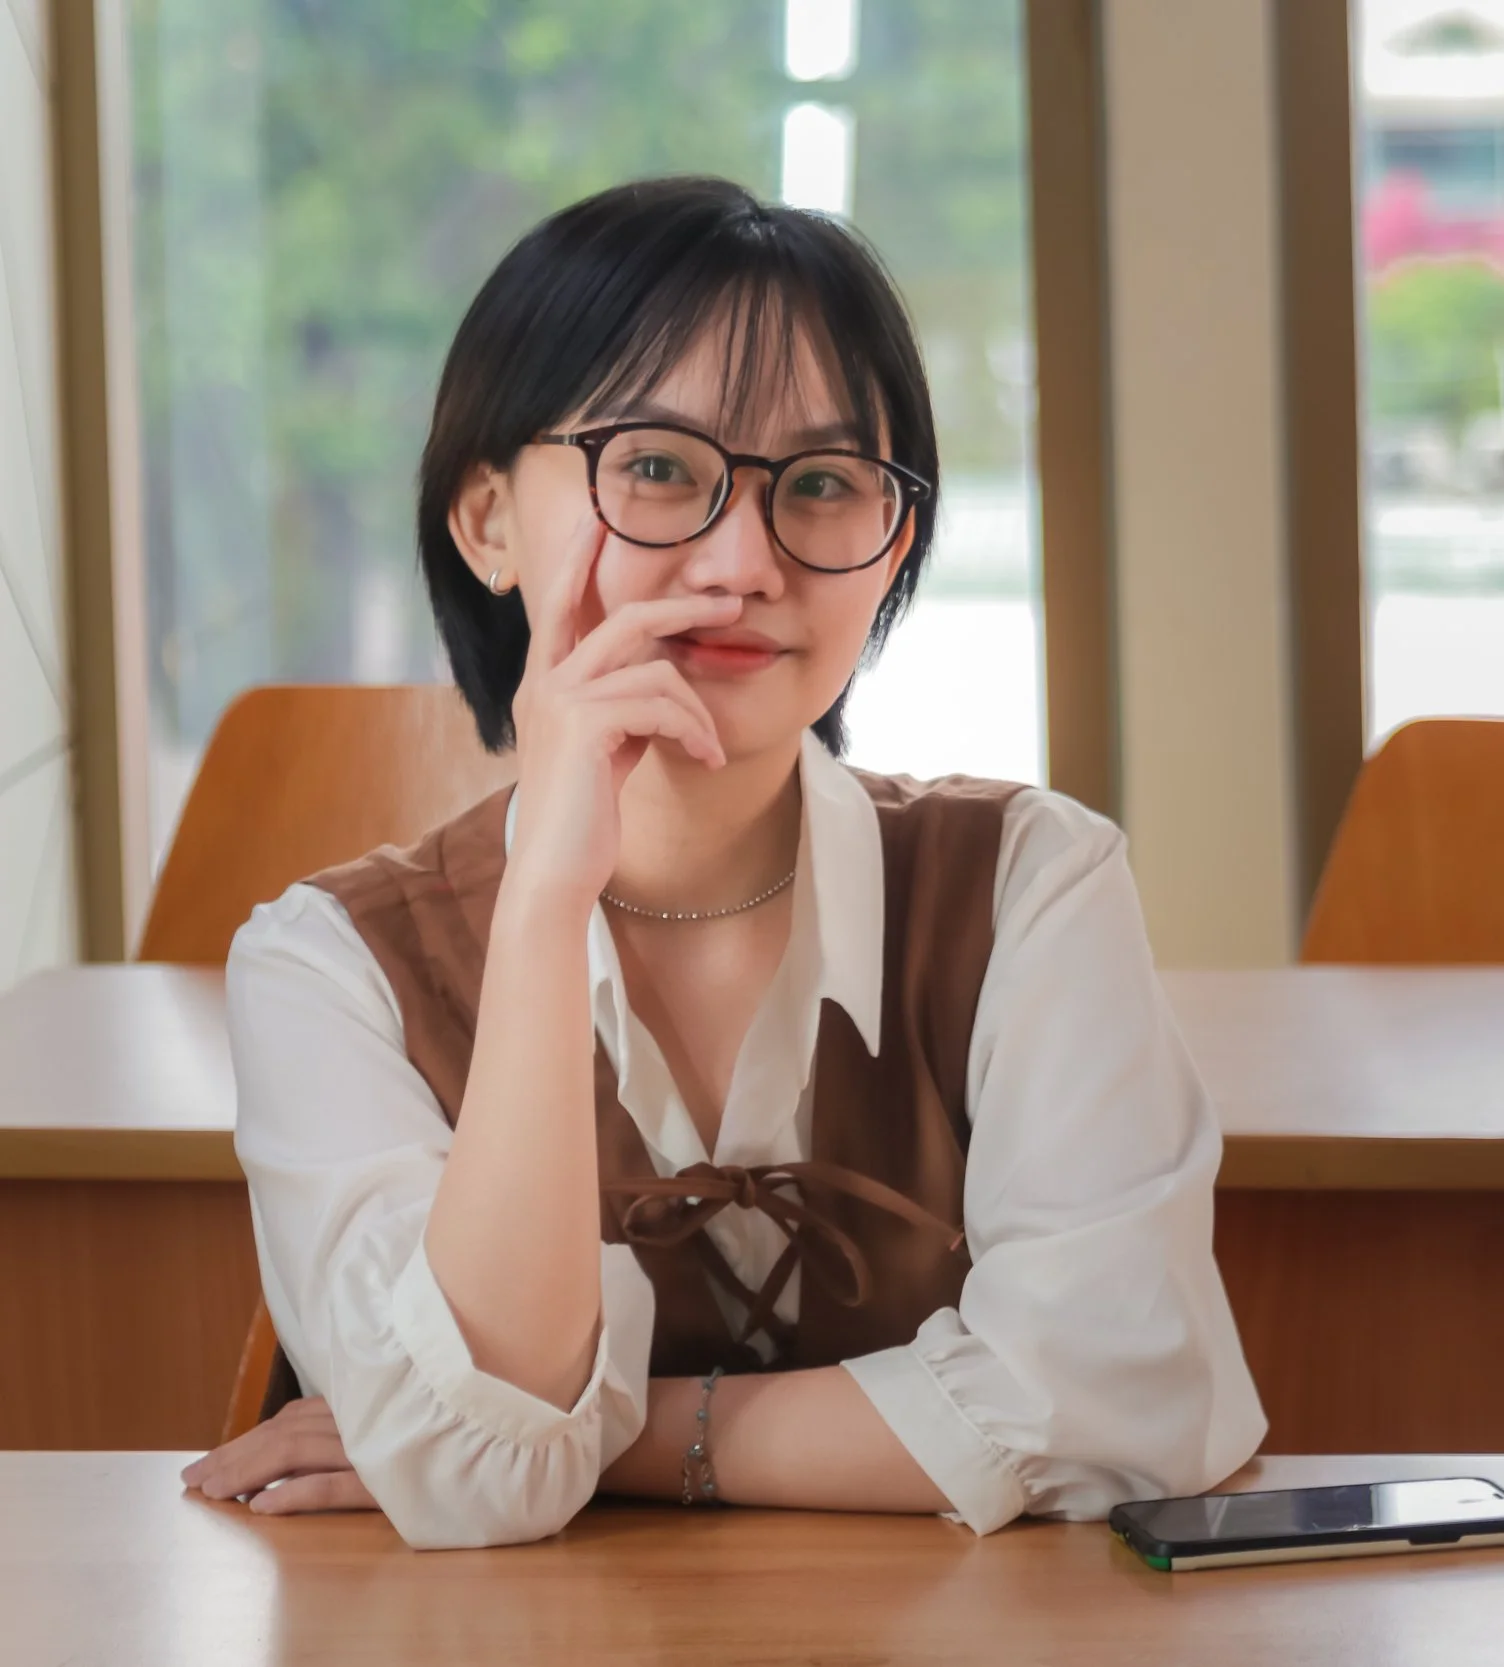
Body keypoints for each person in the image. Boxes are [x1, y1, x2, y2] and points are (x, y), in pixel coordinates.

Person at [179, 176, 1265, 1550]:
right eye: (657, 468)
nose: (744, 559)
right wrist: (542, 908)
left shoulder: (1032, 883)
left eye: (820, 486)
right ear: (488, 519)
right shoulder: (327, 968)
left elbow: (1122, 1409)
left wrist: (622, 1429)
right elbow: (474, 1483)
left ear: (895, 549)